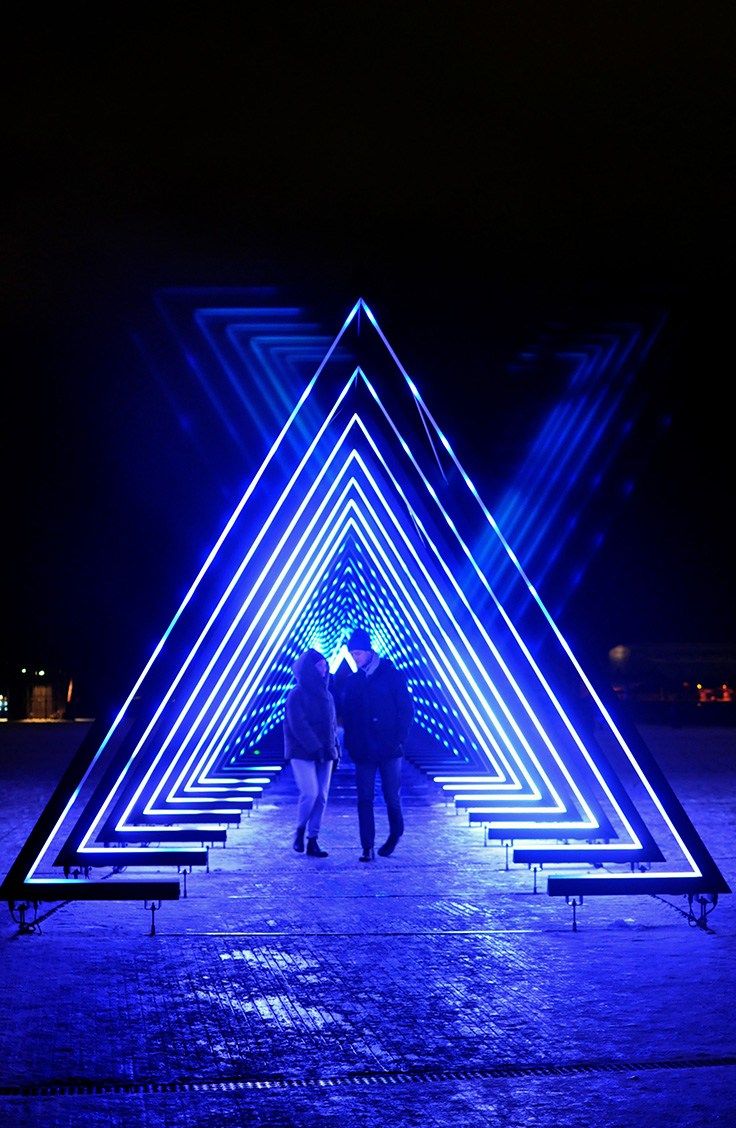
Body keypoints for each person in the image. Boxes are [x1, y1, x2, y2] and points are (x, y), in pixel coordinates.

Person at [340, 627, 414, 862]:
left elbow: (406, 709)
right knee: (364, 798)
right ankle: (367, 846)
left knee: (391, 795)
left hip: (389, 748)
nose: (355, 658)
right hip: (364, 750)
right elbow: (347, 715)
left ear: (370, 651)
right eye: (352, 654)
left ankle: (395, 832)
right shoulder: (354, 681)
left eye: (358, 653)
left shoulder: (392, 675)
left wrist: (398, 739)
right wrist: (352, 744)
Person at [283, 648, 340, 858]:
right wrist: (315, 747)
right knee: (310, 792)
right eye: (319, 665)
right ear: (309, 668)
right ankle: (300, 830)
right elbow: (298, 724)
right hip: (302, 752)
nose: (324, 668)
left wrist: (335, 750)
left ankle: (312, 840)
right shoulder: (297, 693)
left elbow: (331, 725)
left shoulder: (327, 694)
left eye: (324, 664)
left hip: (325, 752)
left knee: (321, 797)